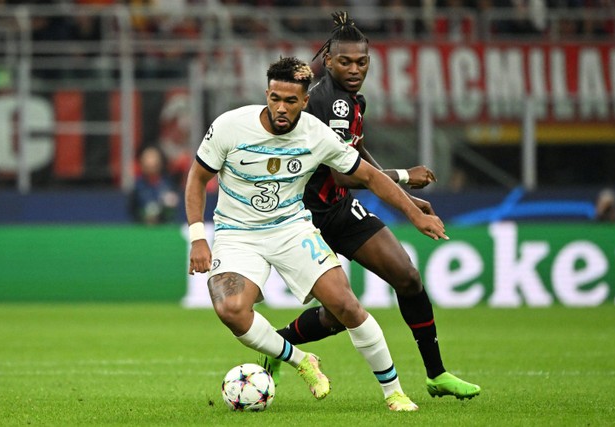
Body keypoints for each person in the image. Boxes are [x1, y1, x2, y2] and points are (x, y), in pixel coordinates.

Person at [186, 56, 450, 411]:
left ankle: (395, 393)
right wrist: (198, 236)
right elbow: (197, 179)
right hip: (238, 233)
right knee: (231, 309)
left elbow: (369, 176)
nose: (281, 108)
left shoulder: (316, 135)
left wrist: (413, 214)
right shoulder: (230, 126)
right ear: (267, 93)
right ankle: (301, 361)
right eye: (275, 98)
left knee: (345, 306)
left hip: (292, 229)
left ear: (305, 101)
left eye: (290, 101)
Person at [259, 11, 481, 401]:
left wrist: (406, 197)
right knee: (340, 313)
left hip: (339, 209)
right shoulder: (329, 102)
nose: (355, 68)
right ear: (327, 61)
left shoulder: (351, 99)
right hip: (304, 218)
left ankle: (437, 375)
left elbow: (355, 153)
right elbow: (345, 173)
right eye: (345, 61)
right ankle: (279, 346)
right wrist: (404, 176)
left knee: (408, 278)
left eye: (362, 61)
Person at [130, 146, 179, 225]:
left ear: (160, 163)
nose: (151, 163)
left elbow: (172, 212)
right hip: (143, 228)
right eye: (147, 160)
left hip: (164, 228)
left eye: (154, 160)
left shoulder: (168, 185)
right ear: (142, 164)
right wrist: (144, 216)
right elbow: (132, 211)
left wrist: (166, 210)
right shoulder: (137, 187)